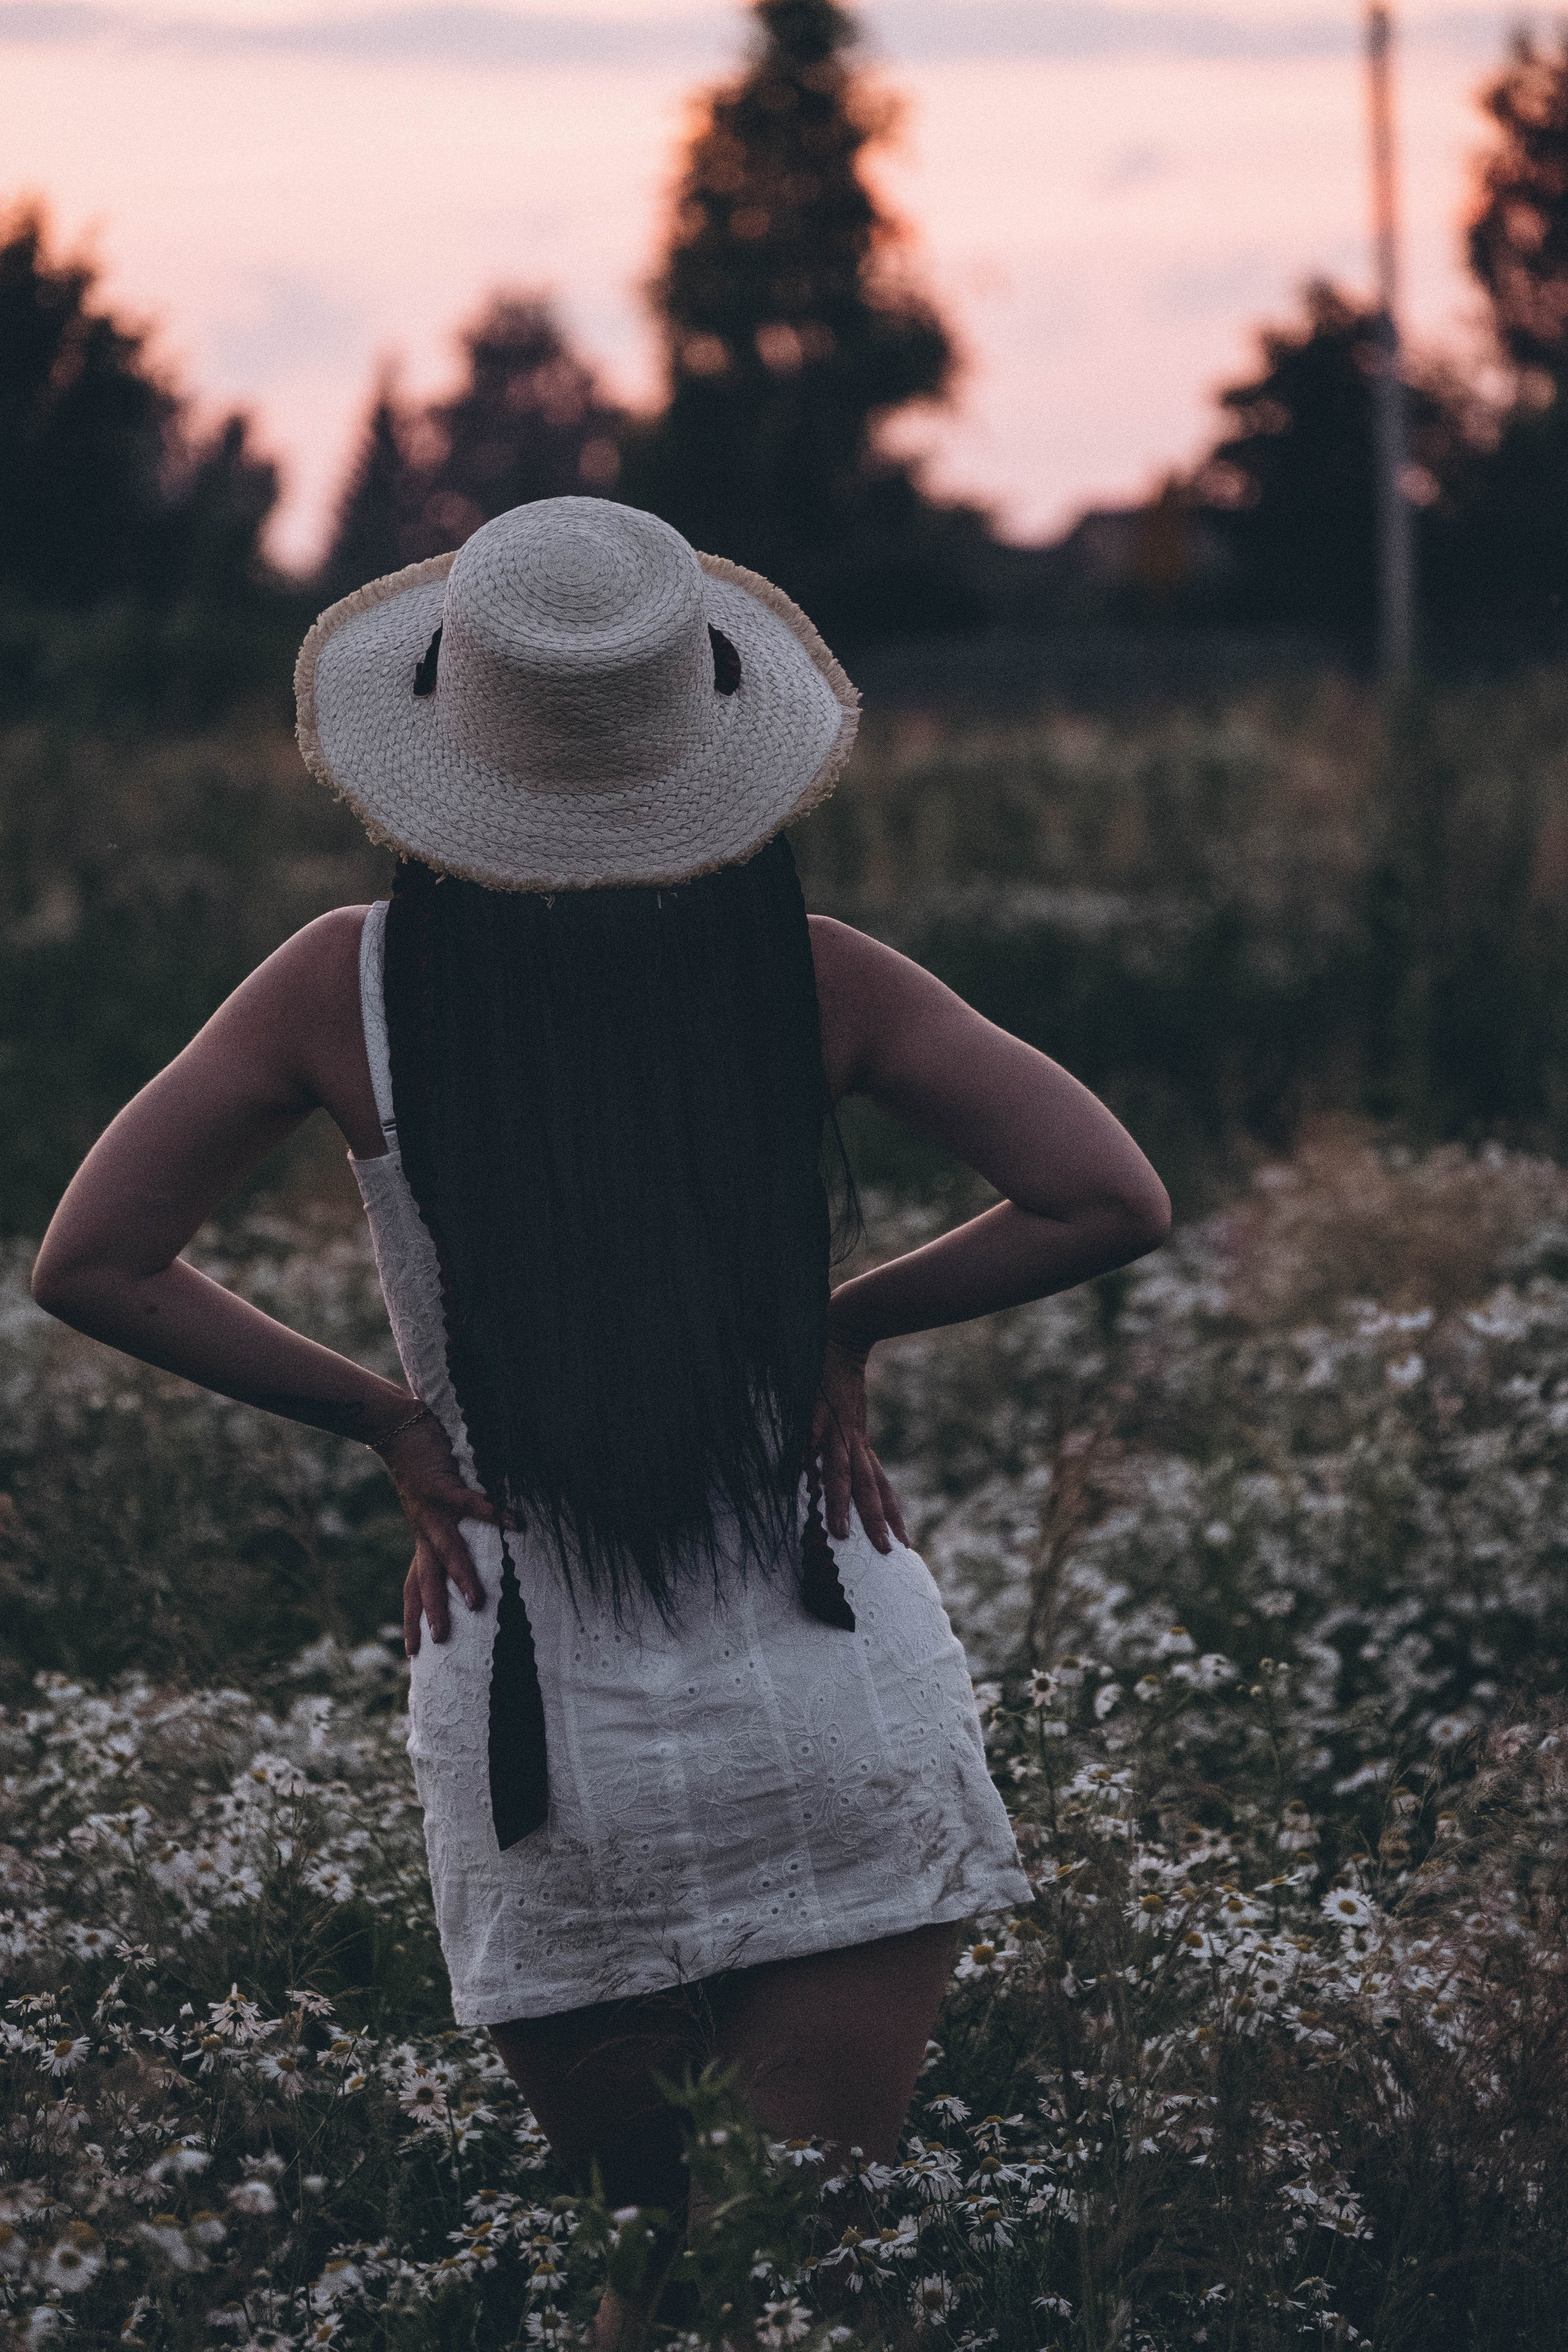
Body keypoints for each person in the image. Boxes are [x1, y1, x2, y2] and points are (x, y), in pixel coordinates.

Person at [31, 497, 1169, 2344]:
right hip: (822, 1684)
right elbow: (1108, 1194)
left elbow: (94, 1259)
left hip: (542, 1726)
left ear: (450, 727)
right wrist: (842, 1322)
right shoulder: (810, 976)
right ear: (699, 732)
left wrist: (395, 1425)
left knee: (650, 2275)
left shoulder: (348, 988)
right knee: (796, 2289)